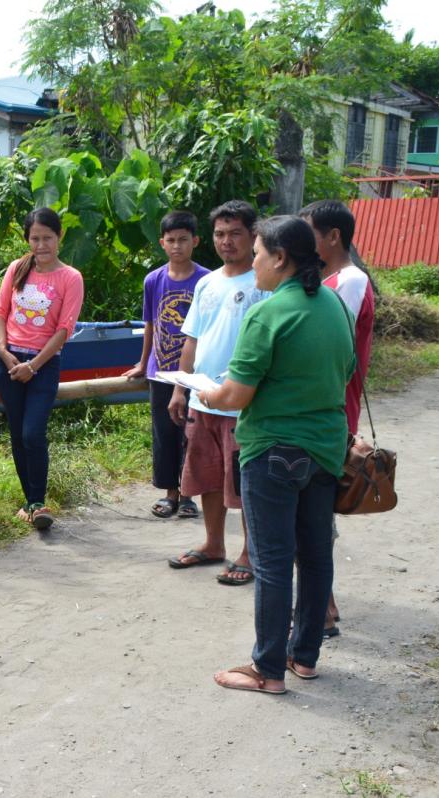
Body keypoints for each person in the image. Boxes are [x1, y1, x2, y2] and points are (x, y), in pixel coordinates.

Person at [198, 215, 354, 695]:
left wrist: (207, 394)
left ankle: (266, 670)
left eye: (260, 253)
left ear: (280, 258)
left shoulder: (267, 313)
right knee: (313, 556)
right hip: (325, 450)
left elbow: (237, 395)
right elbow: (346, 372)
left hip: (272, 451)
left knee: (270, 562)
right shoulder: (331, 304)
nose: (255, 262)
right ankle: (302, 657)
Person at [167, 201, 269, 586]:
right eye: (220, 234)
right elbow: (192, 340)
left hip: (240, 402)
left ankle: (249, 553)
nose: (226, 241)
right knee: (206, 476)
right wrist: (180, 387)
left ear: (253, 236)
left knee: (242, 483)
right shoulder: (207, 282)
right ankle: (213, 544)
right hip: (200, 397)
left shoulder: (262, 284)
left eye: (235, 233)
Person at [301, 199, 375, 638]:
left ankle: (322, 606)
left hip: (329, 410)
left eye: (309, 232)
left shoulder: (348, 282)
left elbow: (331, 348)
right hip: (324, 408)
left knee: (315, 512)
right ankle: (320, 603)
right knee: (313, 510)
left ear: (332, 236)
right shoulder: (332, 280)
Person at [0, 207, 84, 530]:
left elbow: (64, 329)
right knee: (17, 434)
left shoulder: (70, 277)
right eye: (35, 238)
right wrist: (3, 352)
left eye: (47, 238)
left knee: (33, 433)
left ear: (60, 237)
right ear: (27, 239)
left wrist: (33, 365)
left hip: (43, 365)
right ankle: (30, 503)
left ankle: (39, 501)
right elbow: (0, 311)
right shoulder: (17, 268)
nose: (41, 245)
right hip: (10, 361)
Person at [123, 210, 210, 520]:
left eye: (183, 240)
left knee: (192, 432)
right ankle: (170, 493)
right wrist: (142, 362)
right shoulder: (153, 280)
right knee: (164, 433)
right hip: (160, 371)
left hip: (194, 373)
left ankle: (188, 495)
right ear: (162, 243)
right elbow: (150, 324)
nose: (177, 246)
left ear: (195, 241)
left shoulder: (206, 280)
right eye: (171, 240)